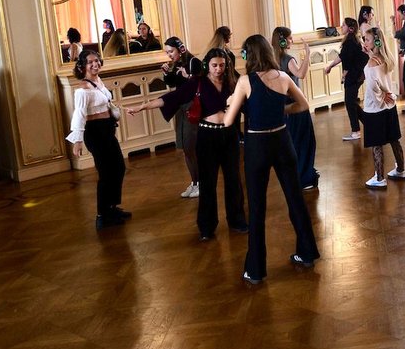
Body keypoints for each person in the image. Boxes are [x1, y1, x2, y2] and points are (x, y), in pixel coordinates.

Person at [224, 34, 320, 283]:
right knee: (295, 198)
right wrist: (282, 110)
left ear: (249, 55)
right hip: (282, 141)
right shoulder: (284, 77)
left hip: (257, 144)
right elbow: (303, 105)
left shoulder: (245, 81)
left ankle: (255, 270)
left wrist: (231, 102)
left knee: (257, 207)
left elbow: (228, 121)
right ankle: (307, 253)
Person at [129, 48, 247, 240]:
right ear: (207, 66)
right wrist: (143, 106)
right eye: (214, 65)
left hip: (230, 135)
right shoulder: (198, 83)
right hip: (207, 136)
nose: (218, 69)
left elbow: (248, 101)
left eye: (222, 65)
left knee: (233, 180)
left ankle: (237, 221)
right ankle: (207, 227)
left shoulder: (233, 82)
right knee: (207, 182)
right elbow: (171, 98)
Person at [67, 50, 129, 229]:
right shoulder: (82, 89)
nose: (95, 65)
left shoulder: (98, 81)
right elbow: (79, 114)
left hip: (107, 129)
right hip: (95, 133)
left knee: (119, 167)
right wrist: (77, 141)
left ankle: (112, 207)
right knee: (106, 173)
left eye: (97, 61)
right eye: (91, 62)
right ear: (83, 66)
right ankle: (102, 215)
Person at [272, 26, 319, 190]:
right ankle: (305, 177)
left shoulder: (272, 58)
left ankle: (297, 176)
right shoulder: (288, 59)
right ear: (284, 40)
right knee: (305, 141)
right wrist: (307, 55)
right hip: (296, 104)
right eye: (290, 38)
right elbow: (301, 74)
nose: (292, 41)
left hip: (282, 105)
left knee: (292, 141)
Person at [361, 27, 405, 188]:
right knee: (394, 139)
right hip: (389, 105)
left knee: (376, 144)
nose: (364, 42)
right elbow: (380, 76)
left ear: (375, 41)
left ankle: (379, 178)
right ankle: (400, 169)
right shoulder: (385, 58)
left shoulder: (371, 64)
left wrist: (380, 99)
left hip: (375, 107)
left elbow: (373, 86)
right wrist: (386, 96)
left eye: (367, 39)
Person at [160, 36, 203, 198]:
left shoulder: (193, 62)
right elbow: (173, 84)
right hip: (181, 107)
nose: (169, 55)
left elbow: (202, 83)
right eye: (167, 52)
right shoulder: (177, 64)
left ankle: (200, 183)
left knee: (191, 147)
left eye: (171, 51)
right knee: (186, 148)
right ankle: (194, 183)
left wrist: (188, 77)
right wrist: (166, 73)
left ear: (180, 49)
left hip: (192, 108)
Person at [325, 17, 370, 141]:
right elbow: (343, 57)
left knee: (350, 103)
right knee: (352, 102)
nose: (341, 27)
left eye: (343, 25)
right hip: (357, 75)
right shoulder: (352, 40)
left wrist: (343, 72)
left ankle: (355, 132)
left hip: (354, 76)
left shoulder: (350, 41)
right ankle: (369, 124)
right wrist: (331, 67)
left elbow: (346, 59)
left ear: (350, 28)